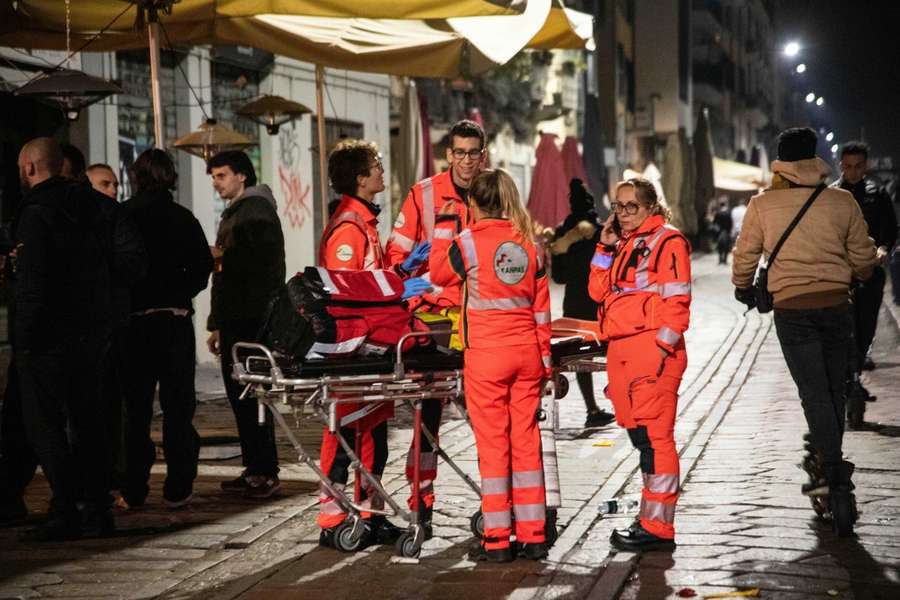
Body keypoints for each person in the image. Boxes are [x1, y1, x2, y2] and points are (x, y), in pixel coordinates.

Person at [732, 127, 878, 537]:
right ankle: (829, 465)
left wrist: (743, 286)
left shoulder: (763, 205)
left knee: (813, 390)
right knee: (834, 388)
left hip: (792, 310)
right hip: (836, 305)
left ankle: (831, 470)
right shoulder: (842, 201)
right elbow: (863, 259)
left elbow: (745, 256)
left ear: (781, 163)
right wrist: (862, 270)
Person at [429, 169, 550, 563]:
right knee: (527, 444)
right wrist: (546, 362)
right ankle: (534, 536)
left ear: (473, 204)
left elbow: (436, 273)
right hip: (527, 355)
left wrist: (447, 224)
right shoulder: (531, 243)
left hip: (487, 357)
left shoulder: (467, 242)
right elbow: (542, 308)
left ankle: (498, 539)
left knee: (494, 446)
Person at [316, 140, 429, 548]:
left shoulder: (363, 223)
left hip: (371, 345)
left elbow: (371, 280)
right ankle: (333, 520)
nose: (383, 171)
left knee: (372, 433)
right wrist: (400, 284)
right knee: (346, 430)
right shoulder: (348, 227)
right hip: (355, 347)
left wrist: (402, 269)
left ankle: (370, 513)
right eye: (377, 166)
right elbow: (346, 291)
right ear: (361, 179)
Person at [385, 119, 486, 534]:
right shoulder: (423, 195)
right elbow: (396, 256)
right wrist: (412, 277)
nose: (465, 161)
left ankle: (498, 501)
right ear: (449, 155)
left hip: (480, 320)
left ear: (484, 155)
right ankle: (420, 504)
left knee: (488, 419)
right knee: (427, 418)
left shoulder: (493, 191)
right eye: (458, 153)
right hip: (436, 323)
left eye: (473, 153)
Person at [13, 137, 116, 539]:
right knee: (89, 421)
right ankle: (96, 507)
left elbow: (34, 283)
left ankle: (67, 506)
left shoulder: (37, 212)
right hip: (90, 332)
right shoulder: (94, 208)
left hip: (47, 336)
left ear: (30, 169)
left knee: (45, 424)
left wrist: (24, 337)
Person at [588, 178, 691, 553]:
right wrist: (603, 245)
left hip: (649, 350)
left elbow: (678, 300)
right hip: (621, 348)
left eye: (631, 206)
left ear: (651, 206)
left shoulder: (669, 241)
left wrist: (662, 349)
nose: (624, 213)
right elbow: (597, 292)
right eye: (618, 206)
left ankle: (658, 526)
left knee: (656, 439)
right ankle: (650, 515)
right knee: (642, 440)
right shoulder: (624, 243)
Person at [121, 149, 213, 509]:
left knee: (136, 408)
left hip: (136, 323)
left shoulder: (124, 216)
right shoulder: (183, 218)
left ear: (136, 176)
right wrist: (181, 290)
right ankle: (178, 484)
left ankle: (134, 485)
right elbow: (203, 265)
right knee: (178, 407)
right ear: (171, 178)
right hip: (174, 321)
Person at [206, 150, 285, 499]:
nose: (215, 182)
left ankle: (262, 471)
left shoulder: (254, 213)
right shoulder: (242, 211)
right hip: (238, 320)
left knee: (251, 395)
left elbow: (258, 271)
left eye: (221, 175)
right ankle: (256, 468)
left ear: (241, 176)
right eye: (213, 176)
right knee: (246, 395)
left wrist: (223, 256)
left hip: (250, 323)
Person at [549, 178, 615, 428]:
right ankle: (619, 396)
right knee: (614, 352)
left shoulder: (561, 237)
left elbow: (558, 277)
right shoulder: (601, 233)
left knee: (580, 359)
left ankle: (592, 409)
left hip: (574, 307)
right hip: (600, 305)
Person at [832, 141, 897, 373]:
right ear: (841, 165)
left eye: (858, 166)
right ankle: (851, 356)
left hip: (870, 267)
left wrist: (883, 249)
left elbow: (890, 230)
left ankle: (862, 351)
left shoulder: (877, 194)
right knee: (843, 316)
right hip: (839, 269)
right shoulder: (831, 195)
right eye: (848, 166)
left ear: (866, 166)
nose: (853, 171)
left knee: (867, 316)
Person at [712, 200, 733, 265]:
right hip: (726, 231)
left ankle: (720, 259)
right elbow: (731, 222)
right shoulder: (728, 213)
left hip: (720, 232)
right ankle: (725, 260)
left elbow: (714, 222)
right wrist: (730, 230)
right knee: (726, 246)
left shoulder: (718, 213)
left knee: (720, 245)